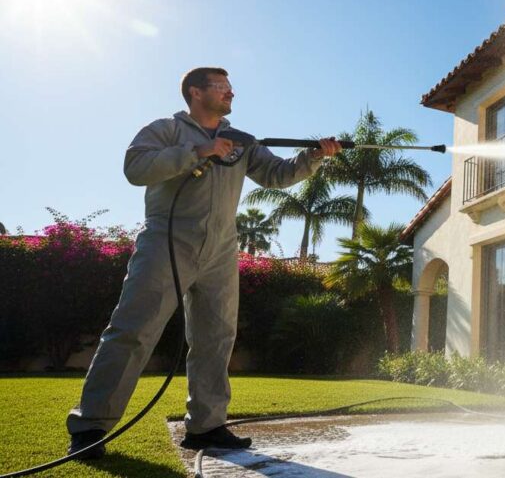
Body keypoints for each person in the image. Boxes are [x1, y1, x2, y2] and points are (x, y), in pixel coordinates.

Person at [66, 67, 341, 458]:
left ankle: (206, 427)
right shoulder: (165, 129)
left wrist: (313, 157)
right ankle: (91, 426)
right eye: (222, 86)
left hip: (222, 249)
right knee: (133, 330)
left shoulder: (242, 141)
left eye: (230, 87)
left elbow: (277, 175)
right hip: (166, 240)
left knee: (216, 338)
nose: (231, 93)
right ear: (195, 92)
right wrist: (198, 152)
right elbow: (136, 168)